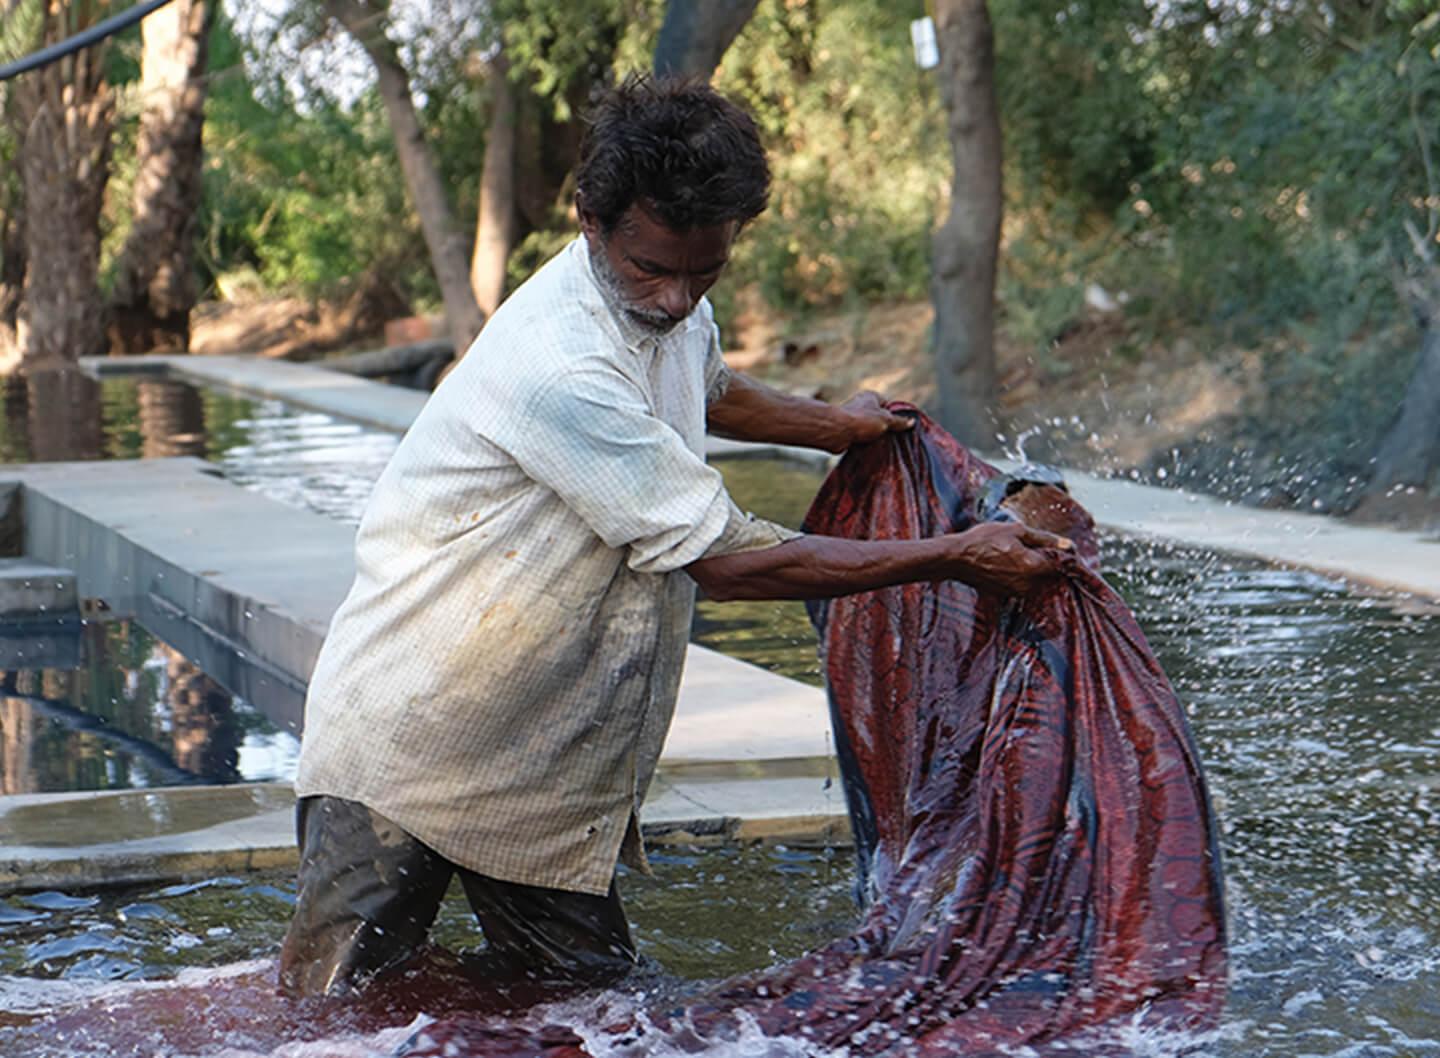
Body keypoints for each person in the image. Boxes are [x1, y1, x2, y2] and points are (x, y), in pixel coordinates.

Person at [278, 74, 1066, 999]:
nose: (677, 298)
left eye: (707, 273)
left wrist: (832, 426)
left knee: (595, 1014)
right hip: (407, 752)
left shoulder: (665, 302)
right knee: (331, 1016)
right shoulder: (563, 365)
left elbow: (711, 385)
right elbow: (728, 562)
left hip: (535, 766)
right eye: (652, 268)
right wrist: (953, 557)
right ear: (590, 222)